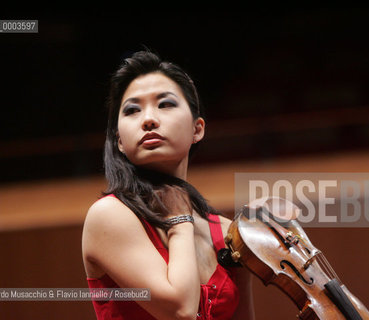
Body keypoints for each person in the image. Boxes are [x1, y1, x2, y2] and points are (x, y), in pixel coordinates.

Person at [81, 50, 255, 320]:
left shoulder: (226, 232)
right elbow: (180, 311)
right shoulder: (109, 215)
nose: (148, 119)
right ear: (120, 142)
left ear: (197, 129)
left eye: (165, 104)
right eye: (132, 110)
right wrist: (179, 220)